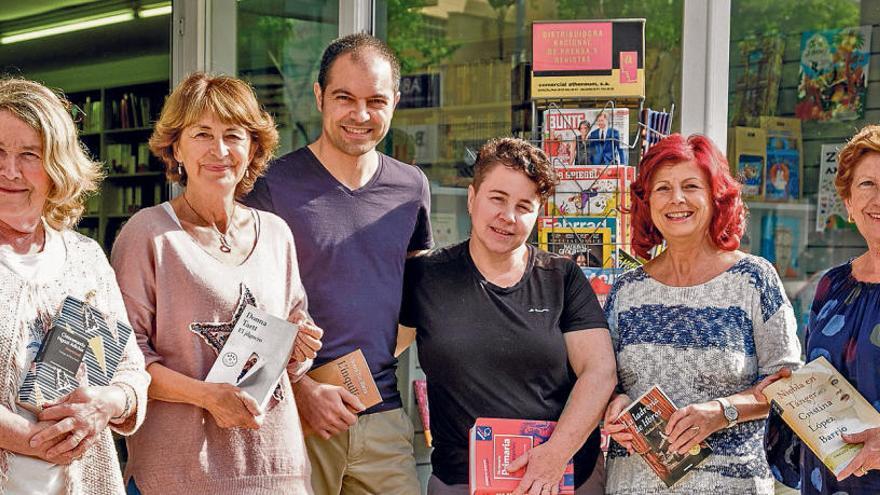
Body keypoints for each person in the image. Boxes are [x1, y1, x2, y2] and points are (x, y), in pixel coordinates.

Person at [111, 73, 323, 494]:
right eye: (202, 134)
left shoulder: (277, 233)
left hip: (274, 470)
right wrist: (208, 396)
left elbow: (293, 350)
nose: (219, 150)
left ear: (253, 148)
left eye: (234, 135)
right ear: (176, 147)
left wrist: (302, 349)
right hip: (178, 476)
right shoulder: (148, 234)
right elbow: (125, 361)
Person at [243, 33, 431, 495]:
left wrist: (374, 361)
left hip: (383, 415)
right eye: (345, 97)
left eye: (376, 101)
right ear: (319, 96)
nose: (360, 115)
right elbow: (241, 309)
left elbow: (415, 297)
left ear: (395, 103)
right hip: (294, 418)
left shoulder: (410, 188)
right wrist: (302, 390)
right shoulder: (272, 187)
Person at [400, 137, 616, 495]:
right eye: (497, 199)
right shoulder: (427, 278)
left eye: (523, 206)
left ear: (538, 213)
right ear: (472, 199)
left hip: (561, 480)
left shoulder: (561, 278)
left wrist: (555, 455)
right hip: (462, 481)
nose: (508, 217)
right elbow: (381, 349)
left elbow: (599, 371)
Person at [602, 134, 801, 494]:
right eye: (662, 188)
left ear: (715, 197)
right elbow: (604, 380)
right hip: (632, 484)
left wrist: (722, 411)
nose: (676, 199)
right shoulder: (626, 290)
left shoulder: (753, 279)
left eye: (690, 186)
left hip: (731, 485)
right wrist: (614, 404)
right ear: (647, 203)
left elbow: (788, 383)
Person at [0, 77, 149, 494]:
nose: (10, 171)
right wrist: (34, 441)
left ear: (56, 167)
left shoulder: (84, 257)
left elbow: (130, 370)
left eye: (29, 155)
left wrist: (107, 406)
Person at [759, 124, 880, 494]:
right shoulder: (832, 285)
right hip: (830, 481)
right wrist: (789, 392)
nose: (879, 197)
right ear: (847, 203)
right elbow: (824, 376)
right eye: (867, 185)